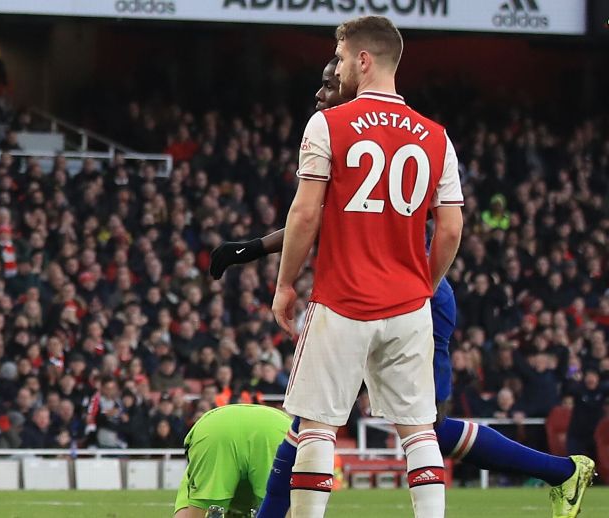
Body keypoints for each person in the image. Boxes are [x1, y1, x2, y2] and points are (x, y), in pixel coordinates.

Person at [211, 56, 596, 518]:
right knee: (315, 420)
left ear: (356, 77)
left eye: (329, 82)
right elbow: (322, 217)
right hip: (384, 292)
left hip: (408, 296)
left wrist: (419, 291)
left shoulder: (354, 134)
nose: (320, 93)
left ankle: (562, 471)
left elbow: (317, 216)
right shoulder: (367, 137)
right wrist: (254, 248)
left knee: (421, 427)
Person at [269, 16, 462, 517]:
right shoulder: (437, 137)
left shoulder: (328, 124)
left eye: (340, 57)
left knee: (317, 427)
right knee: (418, 432)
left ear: (363, 59)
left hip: (342, 300)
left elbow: (305, 213)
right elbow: (450, 229)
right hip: (408, 306)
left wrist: (285, 283)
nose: (337, 69)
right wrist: (424, 285)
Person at [170, 404, 289, 518]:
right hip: (274, 427)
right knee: (278, 502)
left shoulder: (192, 473)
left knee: (201, 503)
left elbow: (183, 512)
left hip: (215, 427)